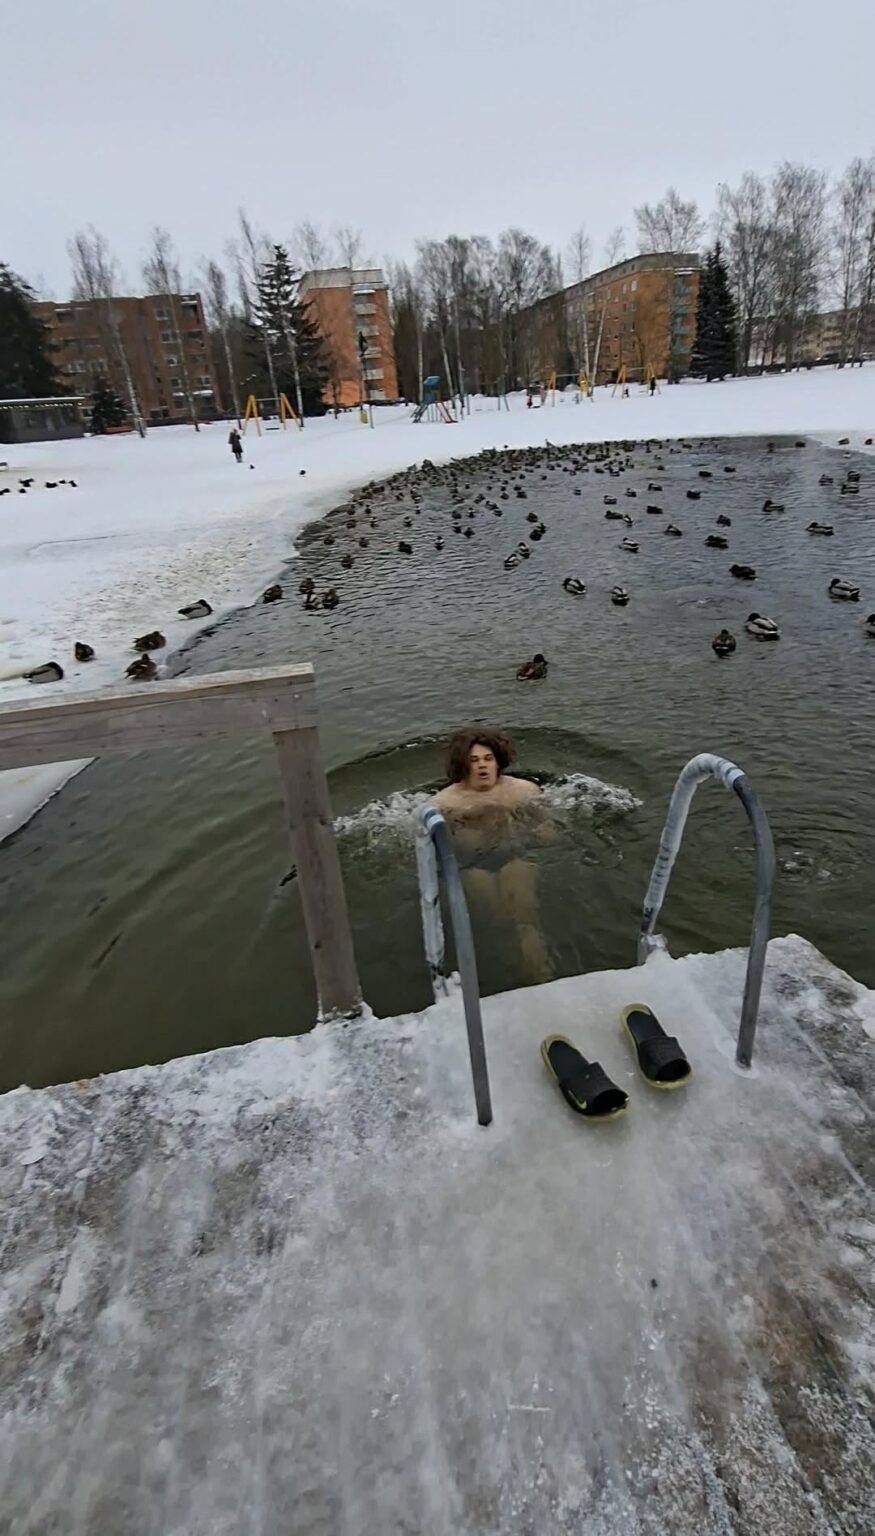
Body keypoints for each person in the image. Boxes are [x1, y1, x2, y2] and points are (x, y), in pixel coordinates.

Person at [433, 729, 552, 981]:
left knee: (524, 917)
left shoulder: (523, 790)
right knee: (496, 920)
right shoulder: (445, 802)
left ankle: (541, 975)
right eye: (474, 760)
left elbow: (547, 832)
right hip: (471, 864)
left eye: (487, 758)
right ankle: (505, 973)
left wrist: (540, 830)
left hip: (514, 855)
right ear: (462, 764)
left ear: (498, 761)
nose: (482, 766)